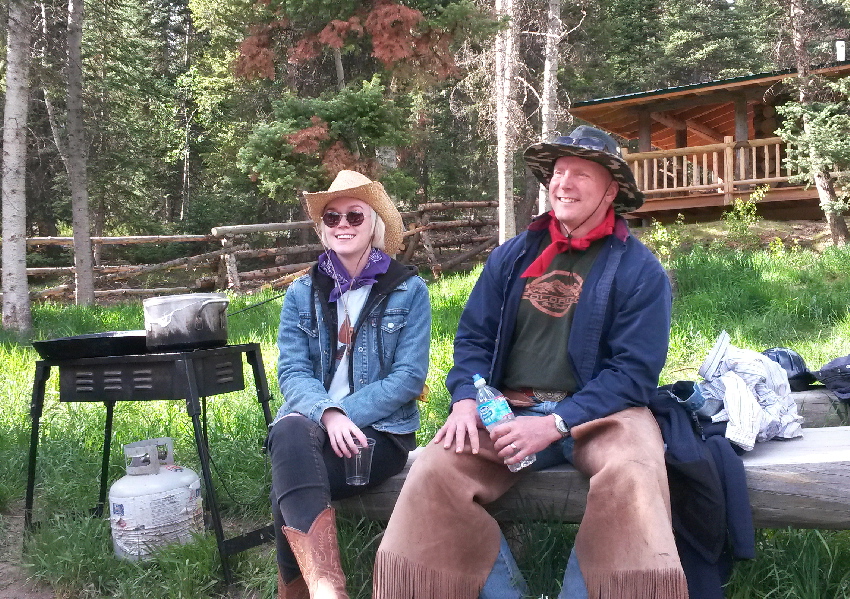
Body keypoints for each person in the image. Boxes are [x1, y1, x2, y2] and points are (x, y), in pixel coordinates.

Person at [373, 126, 688, 599]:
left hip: (603, 415)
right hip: (509, 410)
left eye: (581, 174)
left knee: (633, 472)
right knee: (434, 469)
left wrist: (556, 423)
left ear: (611, 191)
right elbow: (474, 339)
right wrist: (465, 400)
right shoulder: (512, 256)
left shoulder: (640, 270)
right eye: (559, 172)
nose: (564, 183)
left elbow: (633, 374)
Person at [267, 170, 430, 599]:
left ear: (374, 223)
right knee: (289, 434)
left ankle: (306, 592)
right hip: (311, 427)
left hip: (378, 434)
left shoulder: (409, 290)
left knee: (287, 479)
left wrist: (346, 414)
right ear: (323, 228)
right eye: (332, 217)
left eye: (354, 216)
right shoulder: (302, 292)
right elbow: (293, 372)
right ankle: (328, 591)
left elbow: (408, 377)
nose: (342, 224)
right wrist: (327, 413)